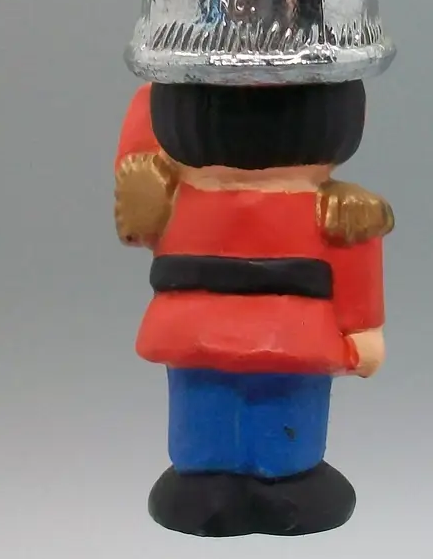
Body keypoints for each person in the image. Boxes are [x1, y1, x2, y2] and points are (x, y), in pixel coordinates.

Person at [114, 79, 394, 537]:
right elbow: (137, 149)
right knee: (204, 419)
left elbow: (355, 268)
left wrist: (363, 328)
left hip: (292, 340)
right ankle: (207, 479)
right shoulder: (170, 194)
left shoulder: (338, 208)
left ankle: (284, 479)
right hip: (197, 332)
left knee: (282, 425)